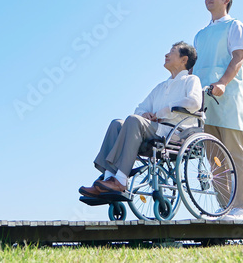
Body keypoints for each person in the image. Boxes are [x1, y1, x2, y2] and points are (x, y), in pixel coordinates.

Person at [80, 43, 202, 197]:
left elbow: (194, 102)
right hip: (154, 128)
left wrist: (164, 112)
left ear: (184, 59)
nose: (166, 55)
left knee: (133, 120)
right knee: (117, 124)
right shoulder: (161, 86)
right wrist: (145, 114)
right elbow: (140, 108)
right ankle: (108, 178)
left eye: (172, 52)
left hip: (175, 132)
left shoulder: (191, 80)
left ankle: (121, 180)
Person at [193, 0, 243, 220]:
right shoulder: (200, 34)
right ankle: (226, 206)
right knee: (214, 157)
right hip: (203, 101)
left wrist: (223, 83)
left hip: (227, 98)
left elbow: (238, 58)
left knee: (235, 154)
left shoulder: (234, 26)